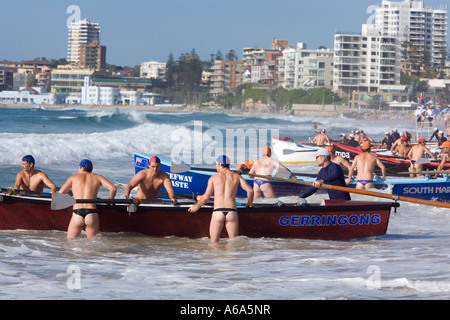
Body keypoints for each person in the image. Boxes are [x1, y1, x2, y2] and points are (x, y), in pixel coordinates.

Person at [188, 155, 254, 243]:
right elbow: (250, 190)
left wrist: (196, 207)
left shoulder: (214, 178)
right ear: (228, 165)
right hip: (232, 212)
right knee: (233, 243)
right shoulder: (236, 177)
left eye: (216, 165)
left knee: (214, 243)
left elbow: (206, 197)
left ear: (219, 164)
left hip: (218, 212)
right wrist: (249, 203)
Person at [58, 159, 117, 240]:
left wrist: (71, 198)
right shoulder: (98, 177)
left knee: (70, 243)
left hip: (77, 212)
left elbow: (60, 194)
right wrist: (110, 201)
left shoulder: (73, 178)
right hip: (91, 213)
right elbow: (113, 189)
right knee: (92, 245)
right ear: (91, 169)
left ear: (81, 167)